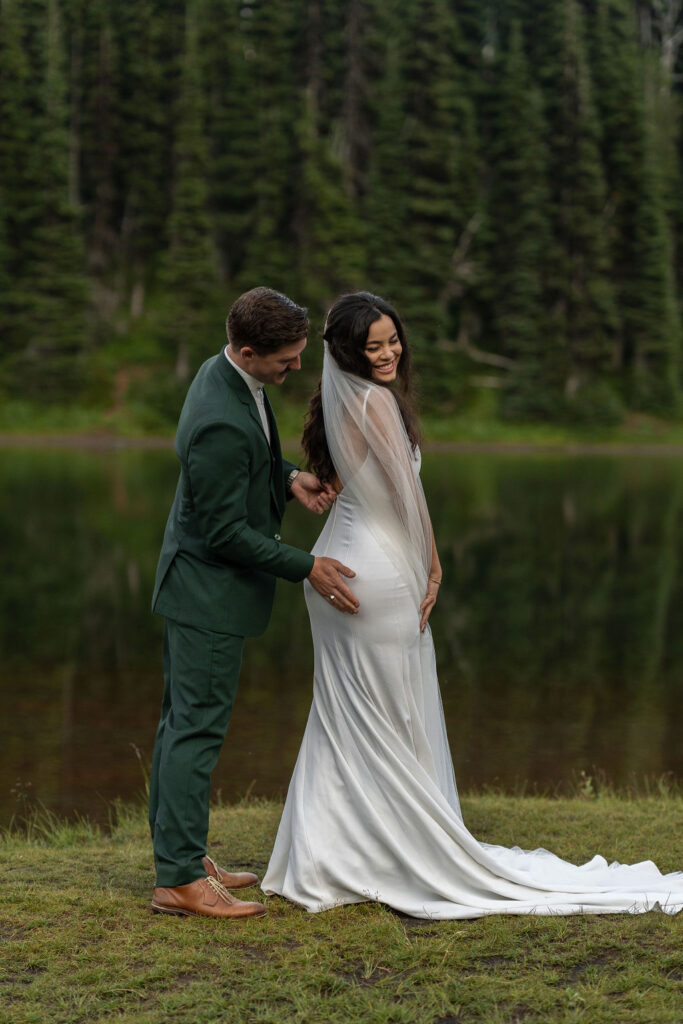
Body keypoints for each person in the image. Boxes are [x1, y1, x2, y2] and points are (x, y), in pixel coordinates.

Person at [262, 291, 682, 919]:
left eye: (392, 340)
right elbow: (406, 495)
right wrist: (433, 563)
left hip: (335, 566)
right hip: (376, 574)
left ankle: (331, 857)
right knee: (388, 717)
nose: (387, 353)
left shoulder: (334, 400)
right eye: (372, 345)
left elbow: (352, 485)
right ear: (347, 352)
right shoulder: (375, 402)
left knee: (349, 717)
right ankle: (383, 854)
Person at [148, 287, 359, 920]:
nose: (295, 369)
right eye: (286, 360)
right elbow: (223, 533)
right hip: (206, 593)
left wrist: (288, 476)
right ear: (247, 350)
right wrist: (308, 567)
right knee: (195, 729)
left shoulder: (228, 377)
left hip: (198, 588)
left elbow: (252, 457)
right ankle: (180, 880)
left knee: (180, 723)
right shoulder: (218, 414)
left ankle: (182, 857)